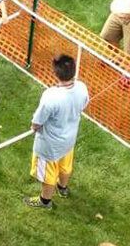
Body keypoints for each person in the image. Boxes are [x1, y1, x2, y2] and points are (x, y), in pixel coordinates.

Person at [24, 53, 89, 210]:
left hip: (49, 146)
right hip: (69, 140)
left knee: (48, 174)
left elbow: (37, 122)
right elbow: (84, 104)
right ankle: (63, 188)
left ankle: (45, 201)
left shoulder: (51, 96)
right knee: (65, 165)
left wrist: (34, 127)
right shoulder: (82, 87)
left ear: (55, 73)